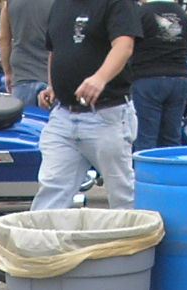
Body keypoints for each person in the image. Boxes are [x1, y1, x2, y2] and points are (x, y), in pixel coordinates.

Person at [31, 0, 142, 212]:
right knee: (51, 189)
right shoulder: (60, 5)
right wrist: (53, 85)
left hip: (107, 113)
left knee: (123, 194)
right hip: (63, 115)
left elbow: (124, 46)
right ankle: (44, 243)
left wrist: (100, 78)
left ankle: (136, 244)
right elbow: (55, 49)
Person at [130, 0, 187, 151]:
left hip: (147, 80)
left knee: (145, 140)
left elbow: (127, 48)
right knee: (171, 140)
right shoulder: (183, 15)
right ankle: (170, 174)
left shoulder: (140, 14)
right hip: (179, 78)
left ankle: (145, 174)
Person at [0, 0, 53, 107]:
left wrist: (8, 72)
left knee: (24, 121)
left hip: (22, 76)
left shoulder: (9, 3)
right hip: (52, 78)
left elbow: (4, 39)